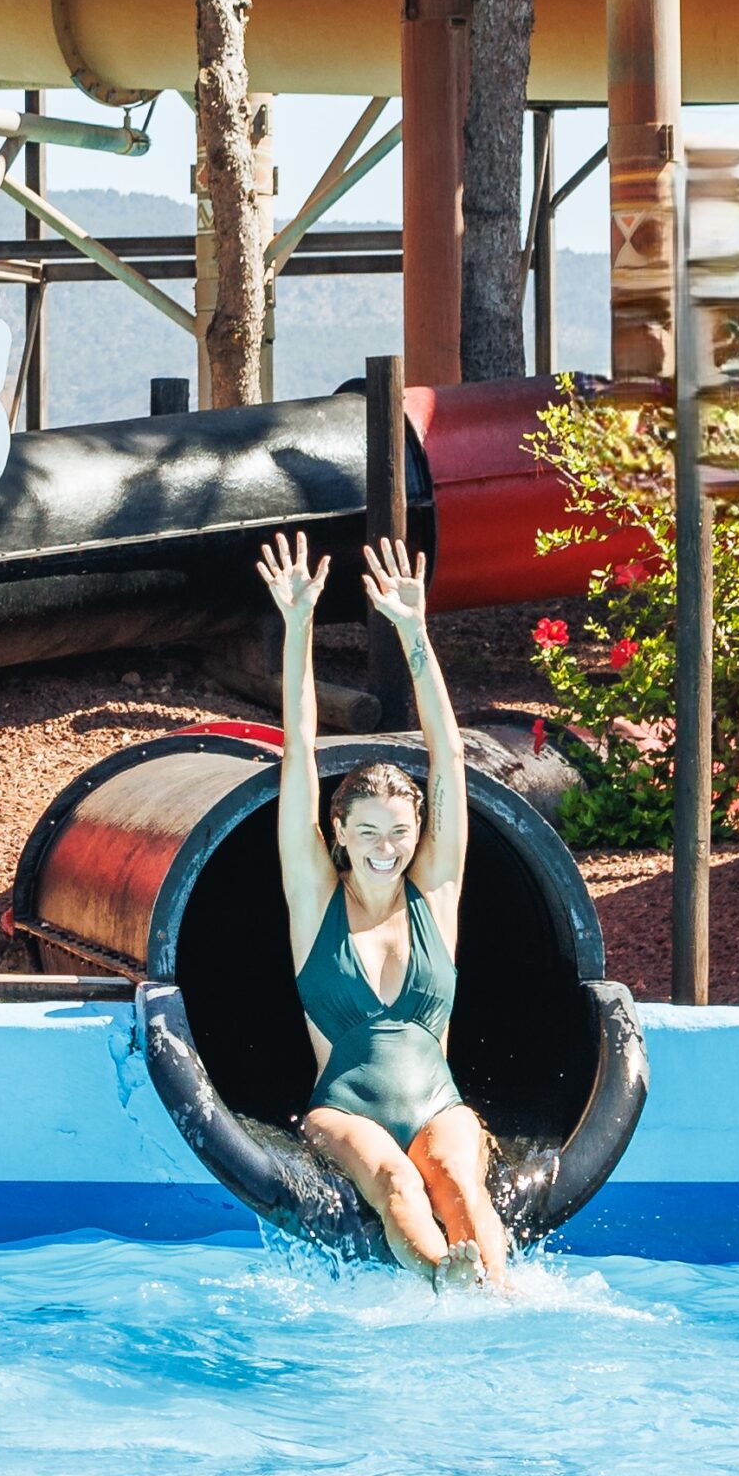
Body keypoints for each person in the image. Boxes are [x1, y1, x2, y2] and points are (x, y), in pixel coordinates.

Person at [253, 531, 510, 1288]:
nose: (384, 848)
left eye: (398, 833)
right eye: (367, 832)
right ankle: (443, 1278)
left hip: (440, 1104)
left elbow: (448, 755)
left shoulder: (437, 892)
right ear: (338, 833)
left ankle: (495, 1299)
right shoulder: (313, 895)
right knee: (397, 1184)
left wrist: (413, 630)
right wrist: (298, 624)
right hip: (342, 1112)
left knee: (457, 1186)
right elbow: (298, 751)